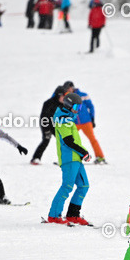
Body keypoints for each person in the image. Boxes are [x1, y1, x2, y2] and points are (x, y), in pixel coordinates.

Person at [46, 92, 91, 225]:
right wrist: (84, 152)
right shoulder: (63, 120)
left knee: (84, 185)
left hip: (76, 158)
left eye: (80, 108)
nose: (78, 110)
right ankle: (54, 216)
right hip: (69, 158)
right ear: (68, 105)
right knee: (67, 186)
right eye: (77, 107)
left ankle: (73, 214)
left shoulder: (69, 119)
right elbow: (68, 141)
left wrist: (81, 154)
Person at [67, 81, 106, 164]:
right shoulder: (67, 97)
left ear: (72, 87)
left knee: (92, 139)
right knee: (69, 139)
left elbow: (91, 106)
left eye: (68, 88)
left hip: (86, 122)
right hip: (75, 123)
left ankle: (100, 157)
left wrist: (92, 118)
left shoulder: (83, 95)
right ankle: (68, 158)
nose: (68, 90)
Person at [31, 86, 65, 165]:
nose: (64, 98)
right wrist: (46, 129)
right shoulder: (48, 103)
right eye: (63, 96)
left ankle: (63, 159)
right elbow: (44, 117)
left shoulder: (62, 104)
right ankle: (35, 158)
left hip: (54, 124)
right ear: (58, 95)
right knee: (46, 140)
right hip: (45, 123)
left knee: (62, 140)